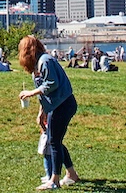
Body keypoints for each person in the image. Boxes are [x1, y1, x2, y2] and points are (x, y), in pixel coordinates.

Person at [19, 35, 80, 190]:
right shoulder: (37, 65)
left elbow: (52, 84)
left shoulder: (45, 61)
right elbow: (45, 94)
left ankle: (54, 179)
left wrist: (31, 93)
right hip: (54, 106)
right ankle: (71, 174)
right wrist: (42, 112)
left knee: (53, 141)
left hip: (63, 105)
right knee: (55, 140)